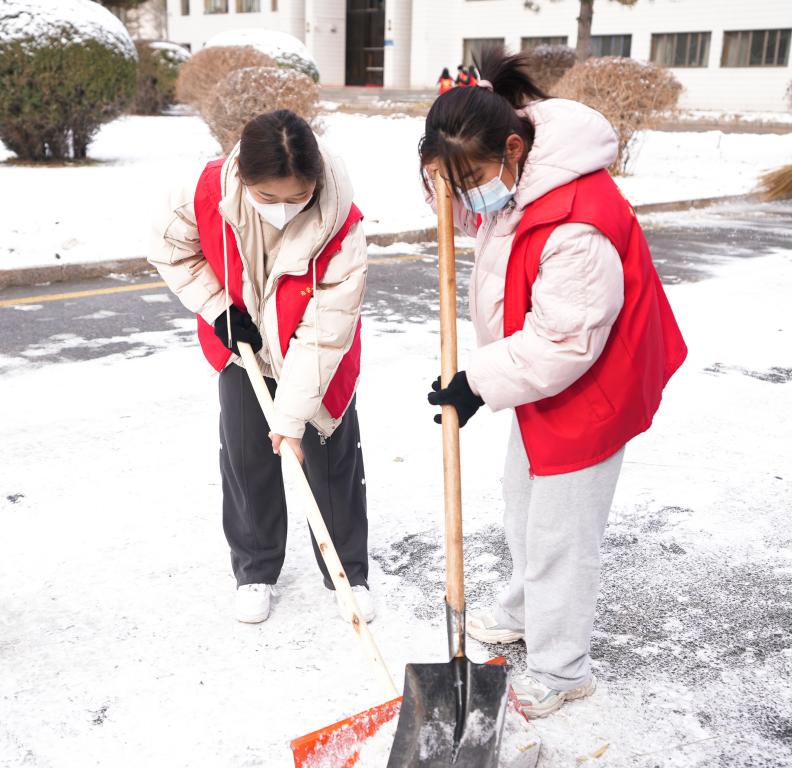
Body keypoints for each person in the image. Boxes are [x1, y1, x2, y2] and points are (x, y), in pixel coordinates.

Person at [419, 48, 687, 718]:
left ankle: (564, 665)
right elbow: (472, 214)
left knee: (561, 532)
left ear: (512, 150)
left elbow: (565, 340)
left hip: (595, 380)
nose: (467, 196)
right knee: (523, 501)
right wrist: (443, 184)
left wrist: (476, 383)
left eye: (470, 181)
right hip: (543, 375)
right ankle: (522, 606)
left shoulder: (576, 219)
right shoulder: (511, 167)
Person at [148, 110, 373, 626]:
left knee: (328, 453)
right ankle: (254, 568)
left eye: (295, 198)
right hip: (243, 342)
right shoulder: (203, 193)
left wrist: (290, 421)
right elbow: (169, 249)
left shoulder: (342, 223)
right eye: (266, 199)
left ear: (315, 182)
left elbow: (326, 333)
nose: (282, 210)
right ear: (243, 179)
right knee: (247, 457)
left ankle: (348, 570)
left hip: (315, 346)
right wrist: (217, 308)